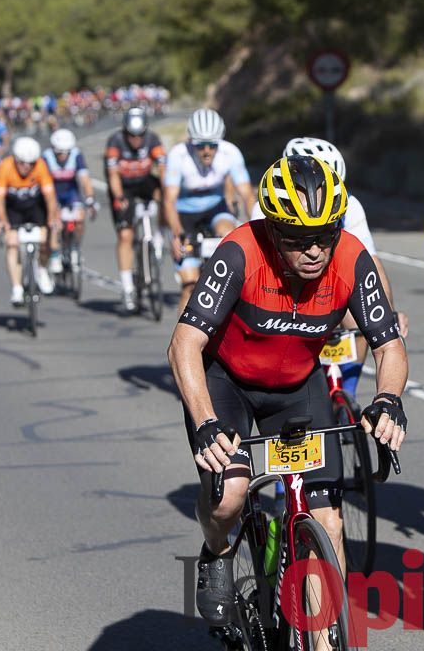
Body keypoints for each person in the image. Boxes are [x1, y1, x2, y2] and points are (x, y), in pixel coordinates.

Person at [167, 154, 408, 630]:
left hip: (298, 386)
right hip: (227, 382)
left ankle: (322, 640)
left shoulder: (352, 259)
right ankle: (217, 549)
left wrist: (388, 398)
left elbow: (389, 346)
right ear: (274, 230)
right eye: (299, 240)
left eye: (325, 235)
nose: (315, 251)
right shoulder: (239, 252)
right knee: (229, 495)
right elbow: (183, 345)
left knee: (330, 521)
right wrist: (204, 421)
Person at [250, 136, 409, 399]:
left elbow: (370, 262)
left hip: (329, 279)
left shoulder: (351, 206)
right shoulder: (264, 209)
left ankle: (346, 394)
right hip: (282, 283)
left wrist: (387, 313)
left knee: (359, 321)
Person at [163, 108, 255, 313]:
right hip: (184, 214)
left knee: (228, 232)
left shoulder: (230, 153)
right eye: (200, 145)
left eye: (212, 145)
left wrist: (257, 226)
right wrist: (177, 234)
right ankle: (182, 341)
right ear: (191, 142)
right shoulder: (178, 155)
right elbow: (169, 200)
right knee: (190, 284)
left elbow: (248, 195)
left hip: (215, 208)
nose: (207, 151)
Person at [105, 107, 167, 313]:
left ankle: (158, 237)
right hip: (124, 186)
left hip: (144, 182)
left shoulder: (153, 139)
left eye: (140, 135)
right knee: (125, 235)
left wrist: (168, 192)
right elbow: (112, 174)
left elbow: (164, 169)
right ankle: (128, 287)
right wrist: (119, 197)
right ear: (125, 132)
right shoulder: (115, 142)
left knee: (166, 198)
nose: (136, 140)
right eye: (132, 135)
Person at [0, 136, 60, 305]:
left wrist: (52, 218)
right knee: (12, 243)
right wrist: (2, 220)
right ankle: (17, 289)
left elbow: (50, 197)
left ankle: (42, 269)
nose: (26, 167)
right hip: (14, 208)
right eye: (22, 163)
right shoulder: (5, 167)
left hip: (35, 206)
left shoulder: (40, 166)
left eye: (30, 163)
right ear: (16, 159)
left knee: (45, 238)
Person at [44, 128, 98, 274]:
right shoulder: (46, 157)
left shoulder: (76, 155)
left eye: (66, 152)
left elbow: (85, 179)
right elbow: (44, 184)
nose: (63, 156)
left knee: (80, 218)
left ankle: (75, 246)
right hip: (53, 192)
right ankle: (55, 254)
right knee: (55, 222)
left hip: (71, 192)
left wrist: (90, 198)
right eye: (60, 152)